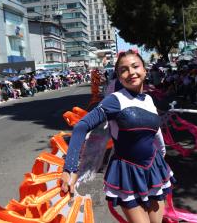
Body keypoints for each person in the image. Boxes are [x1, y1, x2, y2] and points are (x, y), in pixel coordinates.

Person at [61, 50, 174, 223]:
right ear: (119, 77)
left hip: (154, 169)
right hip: (127, 172)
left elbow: (156, 132)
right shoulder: (115, 100)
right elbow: (81, 127)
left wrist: (162, 157)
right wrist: (70, 168)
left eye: (135, 66)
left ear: (145, 70)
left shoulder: (149, 100)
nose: (131, 73)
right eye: (124, 70)